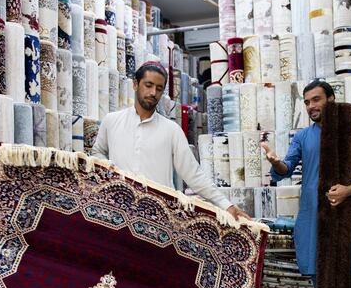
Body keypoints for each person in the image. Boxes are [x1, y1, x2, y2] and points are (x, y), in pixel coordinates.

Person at [262, 80, 351, 288]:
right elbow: (287, 166)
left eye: (317, 99)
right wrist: (277, 162)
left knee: (346, 265)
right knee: (315, 264)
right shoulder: (303, 136)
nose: (312, 105)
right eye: (307, 101)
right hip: (312, 210)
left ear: (331, 99)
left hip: (343, 208)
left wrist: (349, 189)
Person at [92, 62, 247, 220]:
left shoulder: (171, 130)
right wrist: (110, 170)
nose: (153, 92)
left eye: (159, 89)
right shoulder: (111, 121)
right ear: (135, 84)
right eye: (148, 85)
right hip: (118, 211)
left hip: (159, 217)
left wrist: (227, 205)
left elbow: (193, 174)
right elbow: (98, 151)